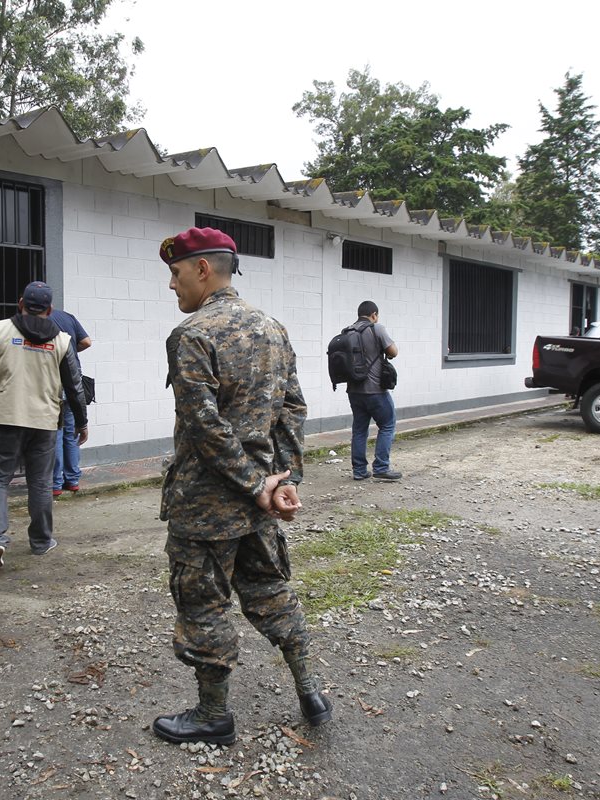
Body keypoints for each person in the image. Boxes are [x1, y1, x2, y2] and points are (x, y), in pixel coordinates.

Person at [152, 227, 331, 746]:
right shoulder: (272, 328)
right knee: (271, 590)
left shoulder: (192, 335)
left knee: (203, 604)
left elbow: (205, 427)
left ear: (202, 270)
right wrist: (284, 480)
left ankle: (213, 716)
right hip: (257, 504)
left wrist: (259, 486)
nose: (172, 285)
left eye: (176, 272)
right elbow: (292, 408)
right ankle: (310, 690)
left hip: (206, 504)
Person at [0, 281, 89, 571]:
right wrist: (81, 422)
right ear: (50, 310)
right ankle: (41, 541)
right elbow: (75, 386)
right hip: (44, 423)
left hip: (5, 418)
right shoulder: (63, 341)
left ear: (20, 303)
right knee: (40, 483)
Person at [345, 300, 402, 482]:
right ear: (374, 314)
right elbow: (393, 351)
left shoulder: (348, 331)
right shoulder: (376, 328)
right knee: (387, 425)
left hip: (354, 391)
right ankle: (381, 467)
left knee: (360, 430)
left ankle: (359, 471)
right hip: (375, 390)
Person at [48, 306, 92, 496]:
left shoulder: (40, 320)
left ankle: (55, 483)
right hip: (73, 382)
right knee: (71, 432)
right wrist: (71, 351)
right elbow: (86, 342)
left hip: (53, 383)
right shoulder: (68, 317)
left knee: (55, 433)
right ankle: (72, 479)